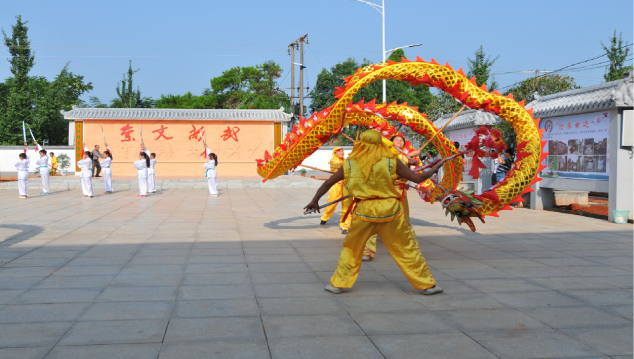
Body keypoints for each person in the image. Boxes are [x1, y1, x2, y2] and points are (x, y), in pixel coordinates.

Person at [304, 130, 448, 295]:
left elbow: (327, 183)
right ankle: (427, 285)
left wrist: (314, 200)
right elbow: (417, 178)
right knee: (406, 249)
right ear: (381, 143)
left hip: (364, 212)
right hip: (391, 211)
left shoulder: (350, 163)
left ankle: (338, 284)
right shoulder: (391, 161)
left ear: (361, 144)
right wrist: (434, 168)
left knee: (351, 249)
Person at [363, 134, 421, 261]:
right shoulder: (384, 154)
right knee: (375, 219)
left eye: (402, 140)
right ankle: (368, 251)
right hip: (384, 192)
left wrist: (410, 164)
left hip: (399, 192)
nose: (399, 141)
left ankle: (413, 250)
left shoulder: (406, 157)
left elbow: (407, 176)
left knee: (405, 222)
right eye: (396, 140)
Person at [319, 147, 352, 234]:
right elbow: (342, 165)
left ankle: (345, 224)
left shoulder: (346, 161)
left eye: (342, 151)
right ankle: (324, 218)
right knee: (332, 202)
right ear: (335, 153)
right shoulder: (334, 160)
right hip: (336, 184)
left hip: (346, 184)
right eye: (339, 151)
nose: (342, 153)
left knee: (347, 204)